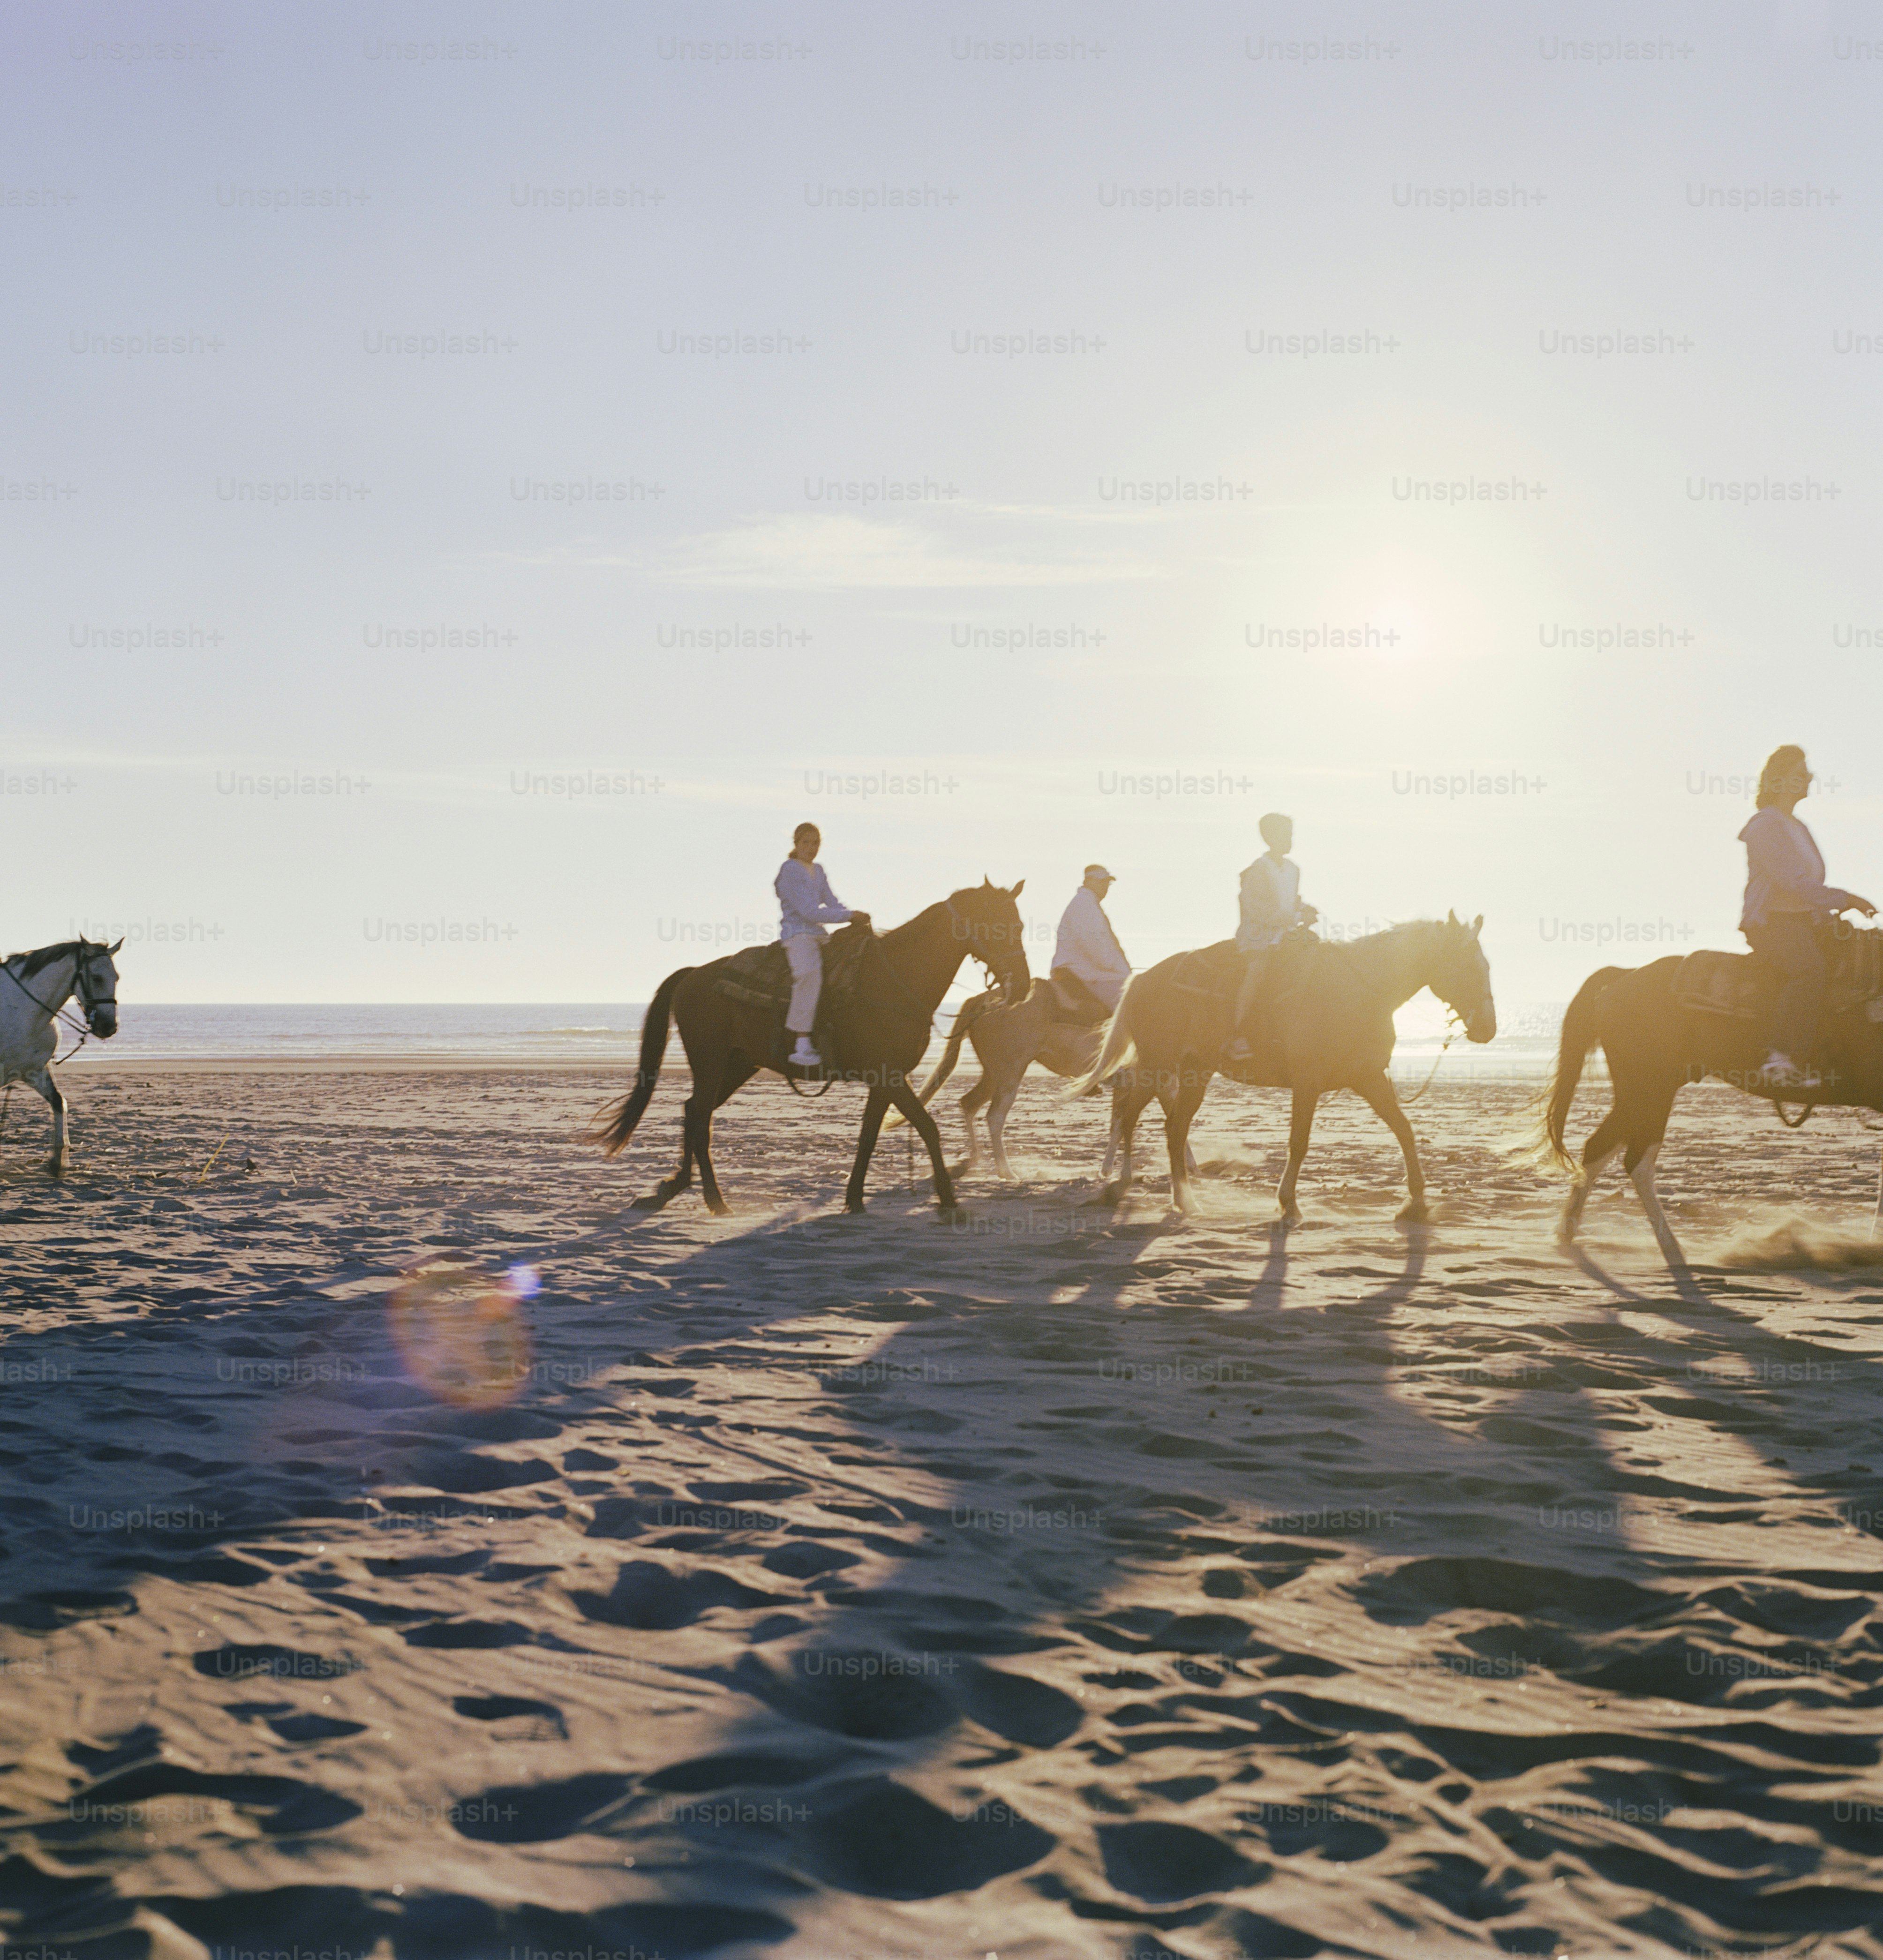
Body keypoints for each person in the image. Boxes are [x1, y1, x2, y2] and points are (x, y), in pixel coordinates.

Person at [1739, 746, 1874, 1089]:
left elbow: (1809, 888)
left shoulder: (1797, 825)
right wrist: (1848, 900)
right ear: (1781, 780)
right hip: (1773, 924)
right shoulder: (1765, 824)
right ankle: (1779, 1059)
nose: (1811, 777)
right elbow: (1794, 883)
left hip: (1806, 922)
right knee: (1809, 970)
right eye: (1802, 772)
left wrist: (1831, 914)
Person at [1226, 812, 1317, 1062]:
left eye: (1291, 835)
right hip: (1257, 937)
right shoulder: (1256, 871)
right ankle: (1237, 1034)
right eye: (1285, 835)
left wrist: (1306, 909)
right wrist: (1295, 915)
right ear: (1269, 837)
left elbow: (1291, 901)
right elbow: (1258, 910)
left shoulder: (1293, 869)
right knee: (1257, 972)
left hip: (1286, 935)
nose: (1289, 840)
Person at [775, 822, 868, 1068]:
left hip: (819, 934)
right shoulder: (790, 870)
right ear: (796, 844)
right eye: (806, 842)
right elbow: (808, 912)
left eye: (816, 843)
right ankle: (802, 1044)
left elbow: (832, 902)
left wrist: (854, 915)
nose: (812, 848)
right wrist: (848, 917)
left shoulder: (819, 870)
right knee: (810, 974)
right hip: (798, 934)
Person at [1051, 864, 1131, 1016]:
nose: (1105, 887)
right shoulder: (1085, 905)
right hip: (1085, 974)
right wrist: (1125, 974)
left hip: (1090, 972)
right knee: (1134, 1005)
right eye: (1101, 881)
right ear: (1088, 881)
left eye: (1108, 882)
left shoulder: (1087, 904)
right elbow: (1097, 951)